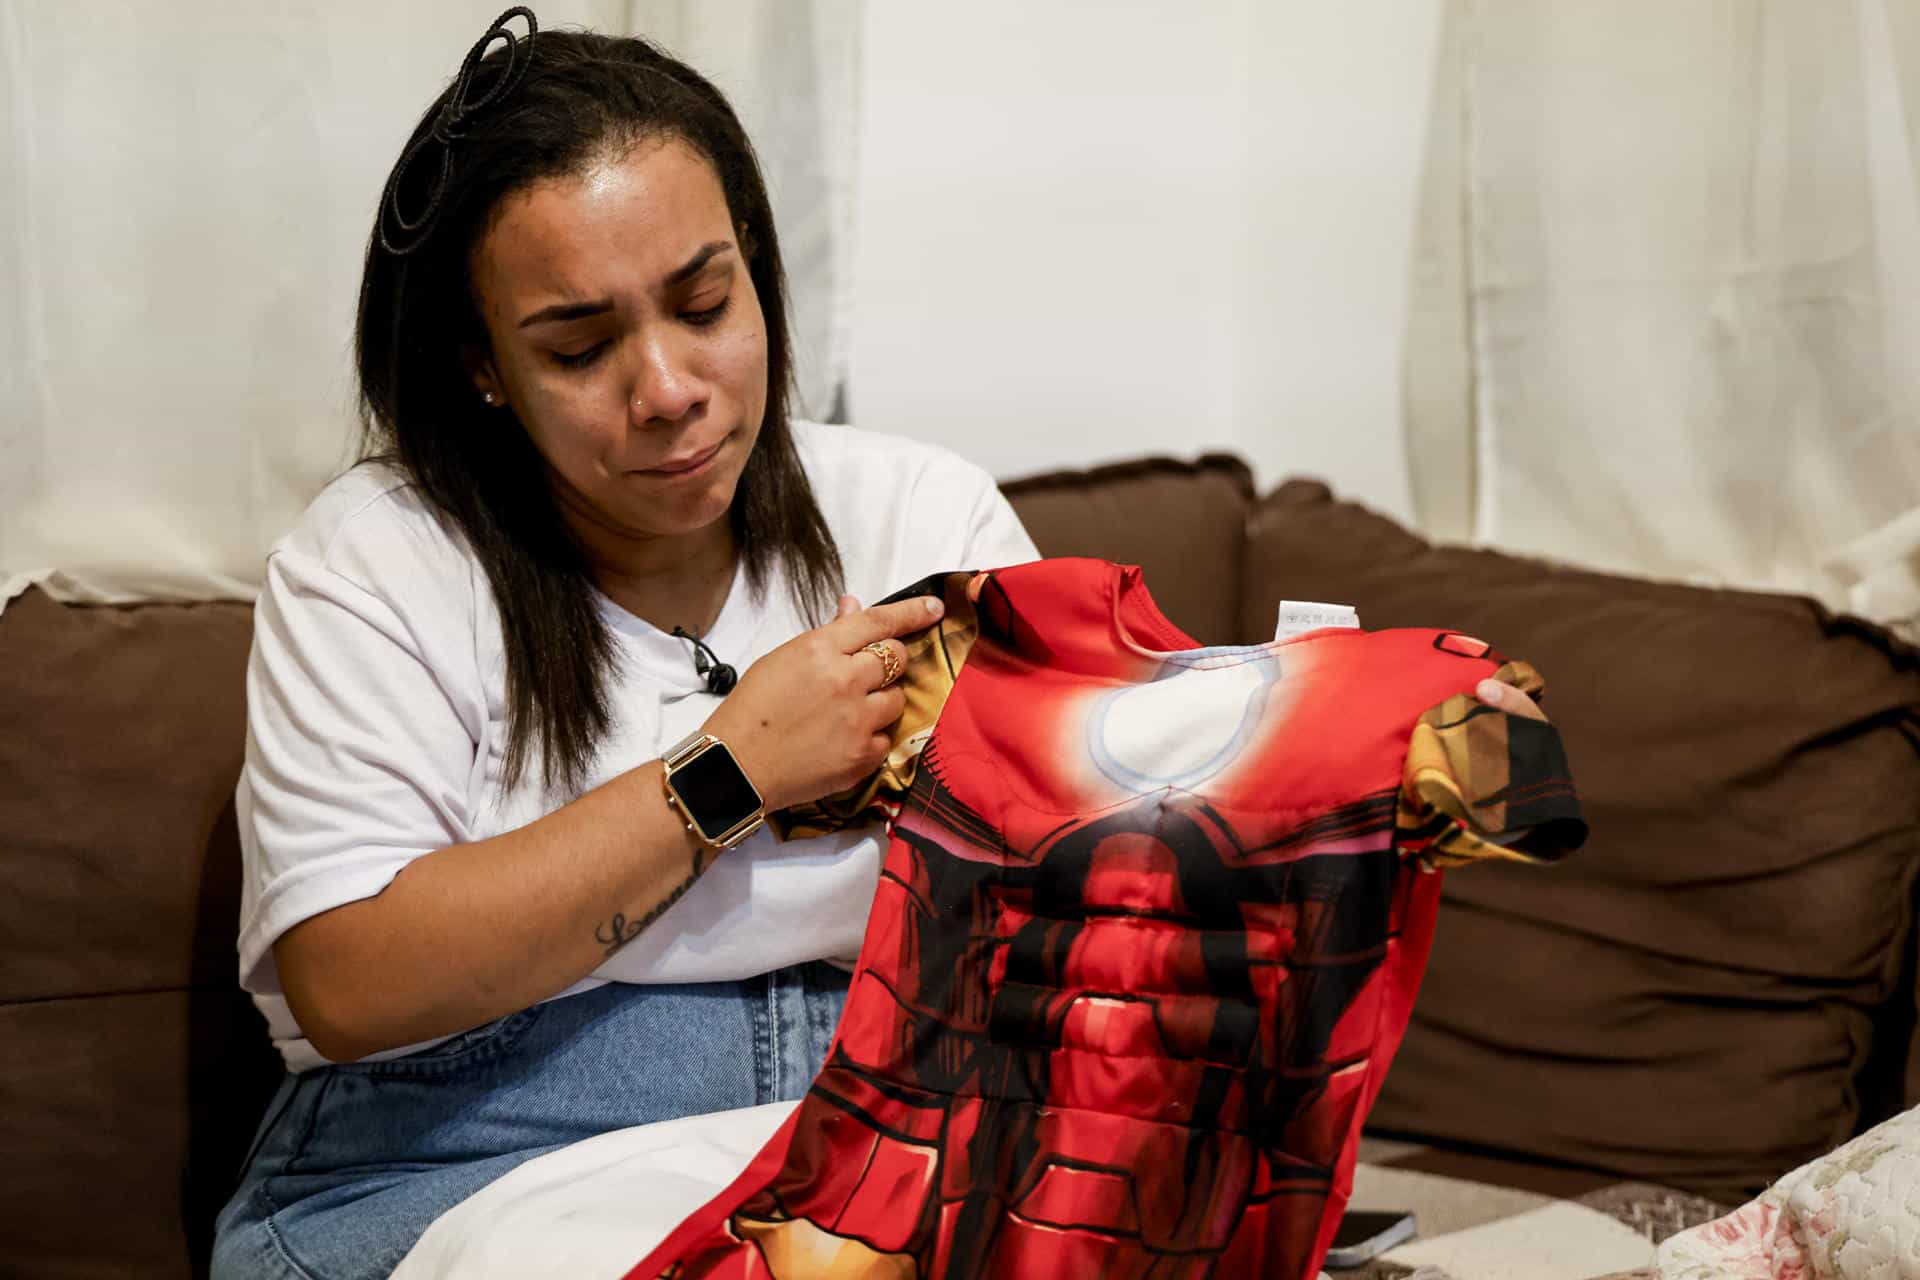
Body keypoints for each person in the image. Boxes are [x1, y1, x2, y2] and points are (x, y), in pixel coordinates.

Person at [211, 12, 1547, 1279]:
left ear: (761, 274)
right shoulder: (379, 559)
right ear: (483, 368)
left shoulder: (915, 514)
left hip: (875, 1125)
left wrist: (1360, 746)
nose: (670, 388)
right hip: (455, 1157)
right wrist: (728, 772)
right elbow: (349, 981)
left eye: (704, 302)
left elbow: (1104, 867)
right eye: (579, 346)